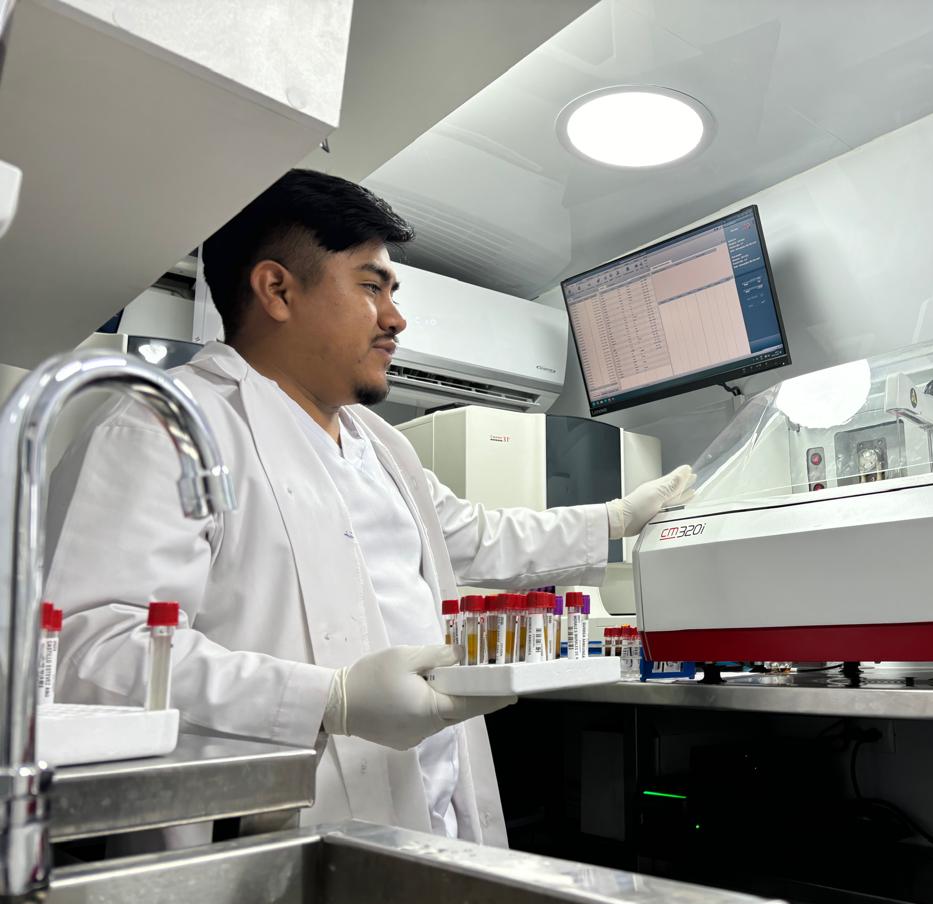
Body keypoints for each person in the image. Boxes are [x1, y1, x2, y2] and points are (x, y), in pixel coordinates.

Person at [44, 169, 693, 846]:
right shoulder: (166, 426)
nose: (395, 318)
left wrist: (616, 520)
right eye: (370, 286)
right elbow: (90, 649)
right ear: (277, 290)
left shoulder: (379, 444)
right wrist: (329, 700)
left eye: (392, 292)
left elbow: (477, 535)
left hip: (429, 816)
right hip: (270, 832)